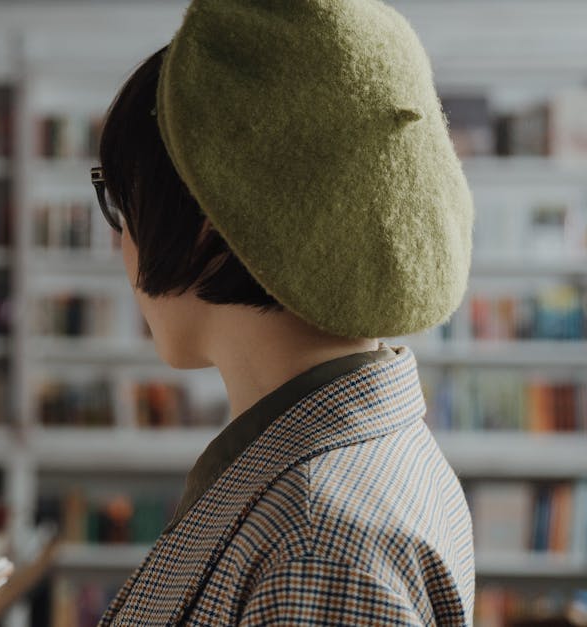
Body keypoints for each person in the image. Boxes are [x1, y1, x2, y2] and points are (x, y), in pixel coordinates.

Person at [92, 1, 475, 625]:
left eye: (118, 199)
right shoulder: (340, 475)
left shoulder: (318, 543)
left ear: (212, 217)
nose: (118, 239)